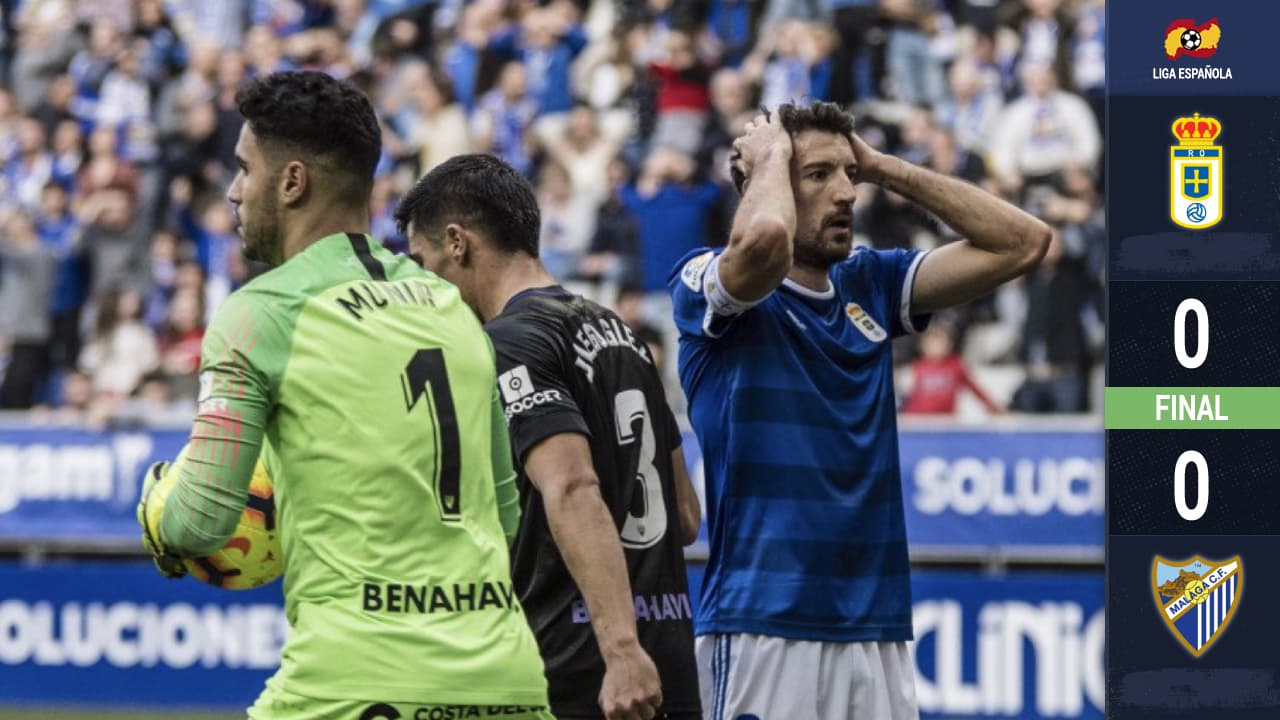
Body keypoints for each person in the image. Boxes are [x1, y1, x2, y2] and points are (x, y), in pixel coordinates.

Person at [134, 71, 551, 720]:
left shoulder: (260, 313)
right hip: (505, 682)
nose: (234, 191)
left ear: (292, 182)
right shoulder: (451, 307)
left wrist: (158, 506)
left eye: (244, 169)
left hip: (355, 684)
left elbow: (199, 521)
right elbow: (505, 516)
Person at [669, 102, 1050, 719]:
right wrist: (771, 155)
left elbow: (1024, 243)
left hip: (876, 628)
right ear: (764, 181)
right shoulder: (706, 282)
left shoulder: (869, 283)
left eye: (848, 174)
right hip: (764, 620)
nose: (846, 192)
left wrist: (884, 167)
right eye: (818, 175)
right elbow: (763, 242)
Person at [395, 153, 703, 720]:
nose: (423, 284)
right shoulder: (622, 334)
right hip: (667, 662)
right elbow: (684, 516)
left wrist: (621, 649)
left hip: (585, 671)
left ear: (458, 242)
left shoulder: (510, 342)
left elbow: (572, 487)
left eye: (422, 261)